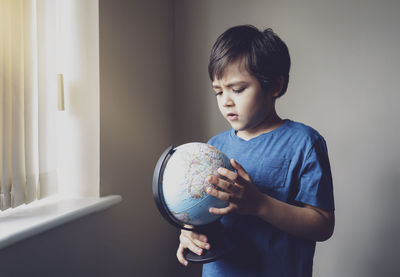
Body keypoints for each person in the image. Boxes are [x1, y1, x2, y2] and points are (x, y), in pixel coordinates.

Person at [176, 25, 335, 277]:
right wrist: (189, 232)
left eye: (237, 89)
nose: (226, 100)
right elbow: (201, 212)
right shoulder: (213, 147)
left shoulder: (305, 142)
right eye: (218, 91)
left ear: (275, 86)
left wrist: (259, 204)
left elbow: (323, 224)